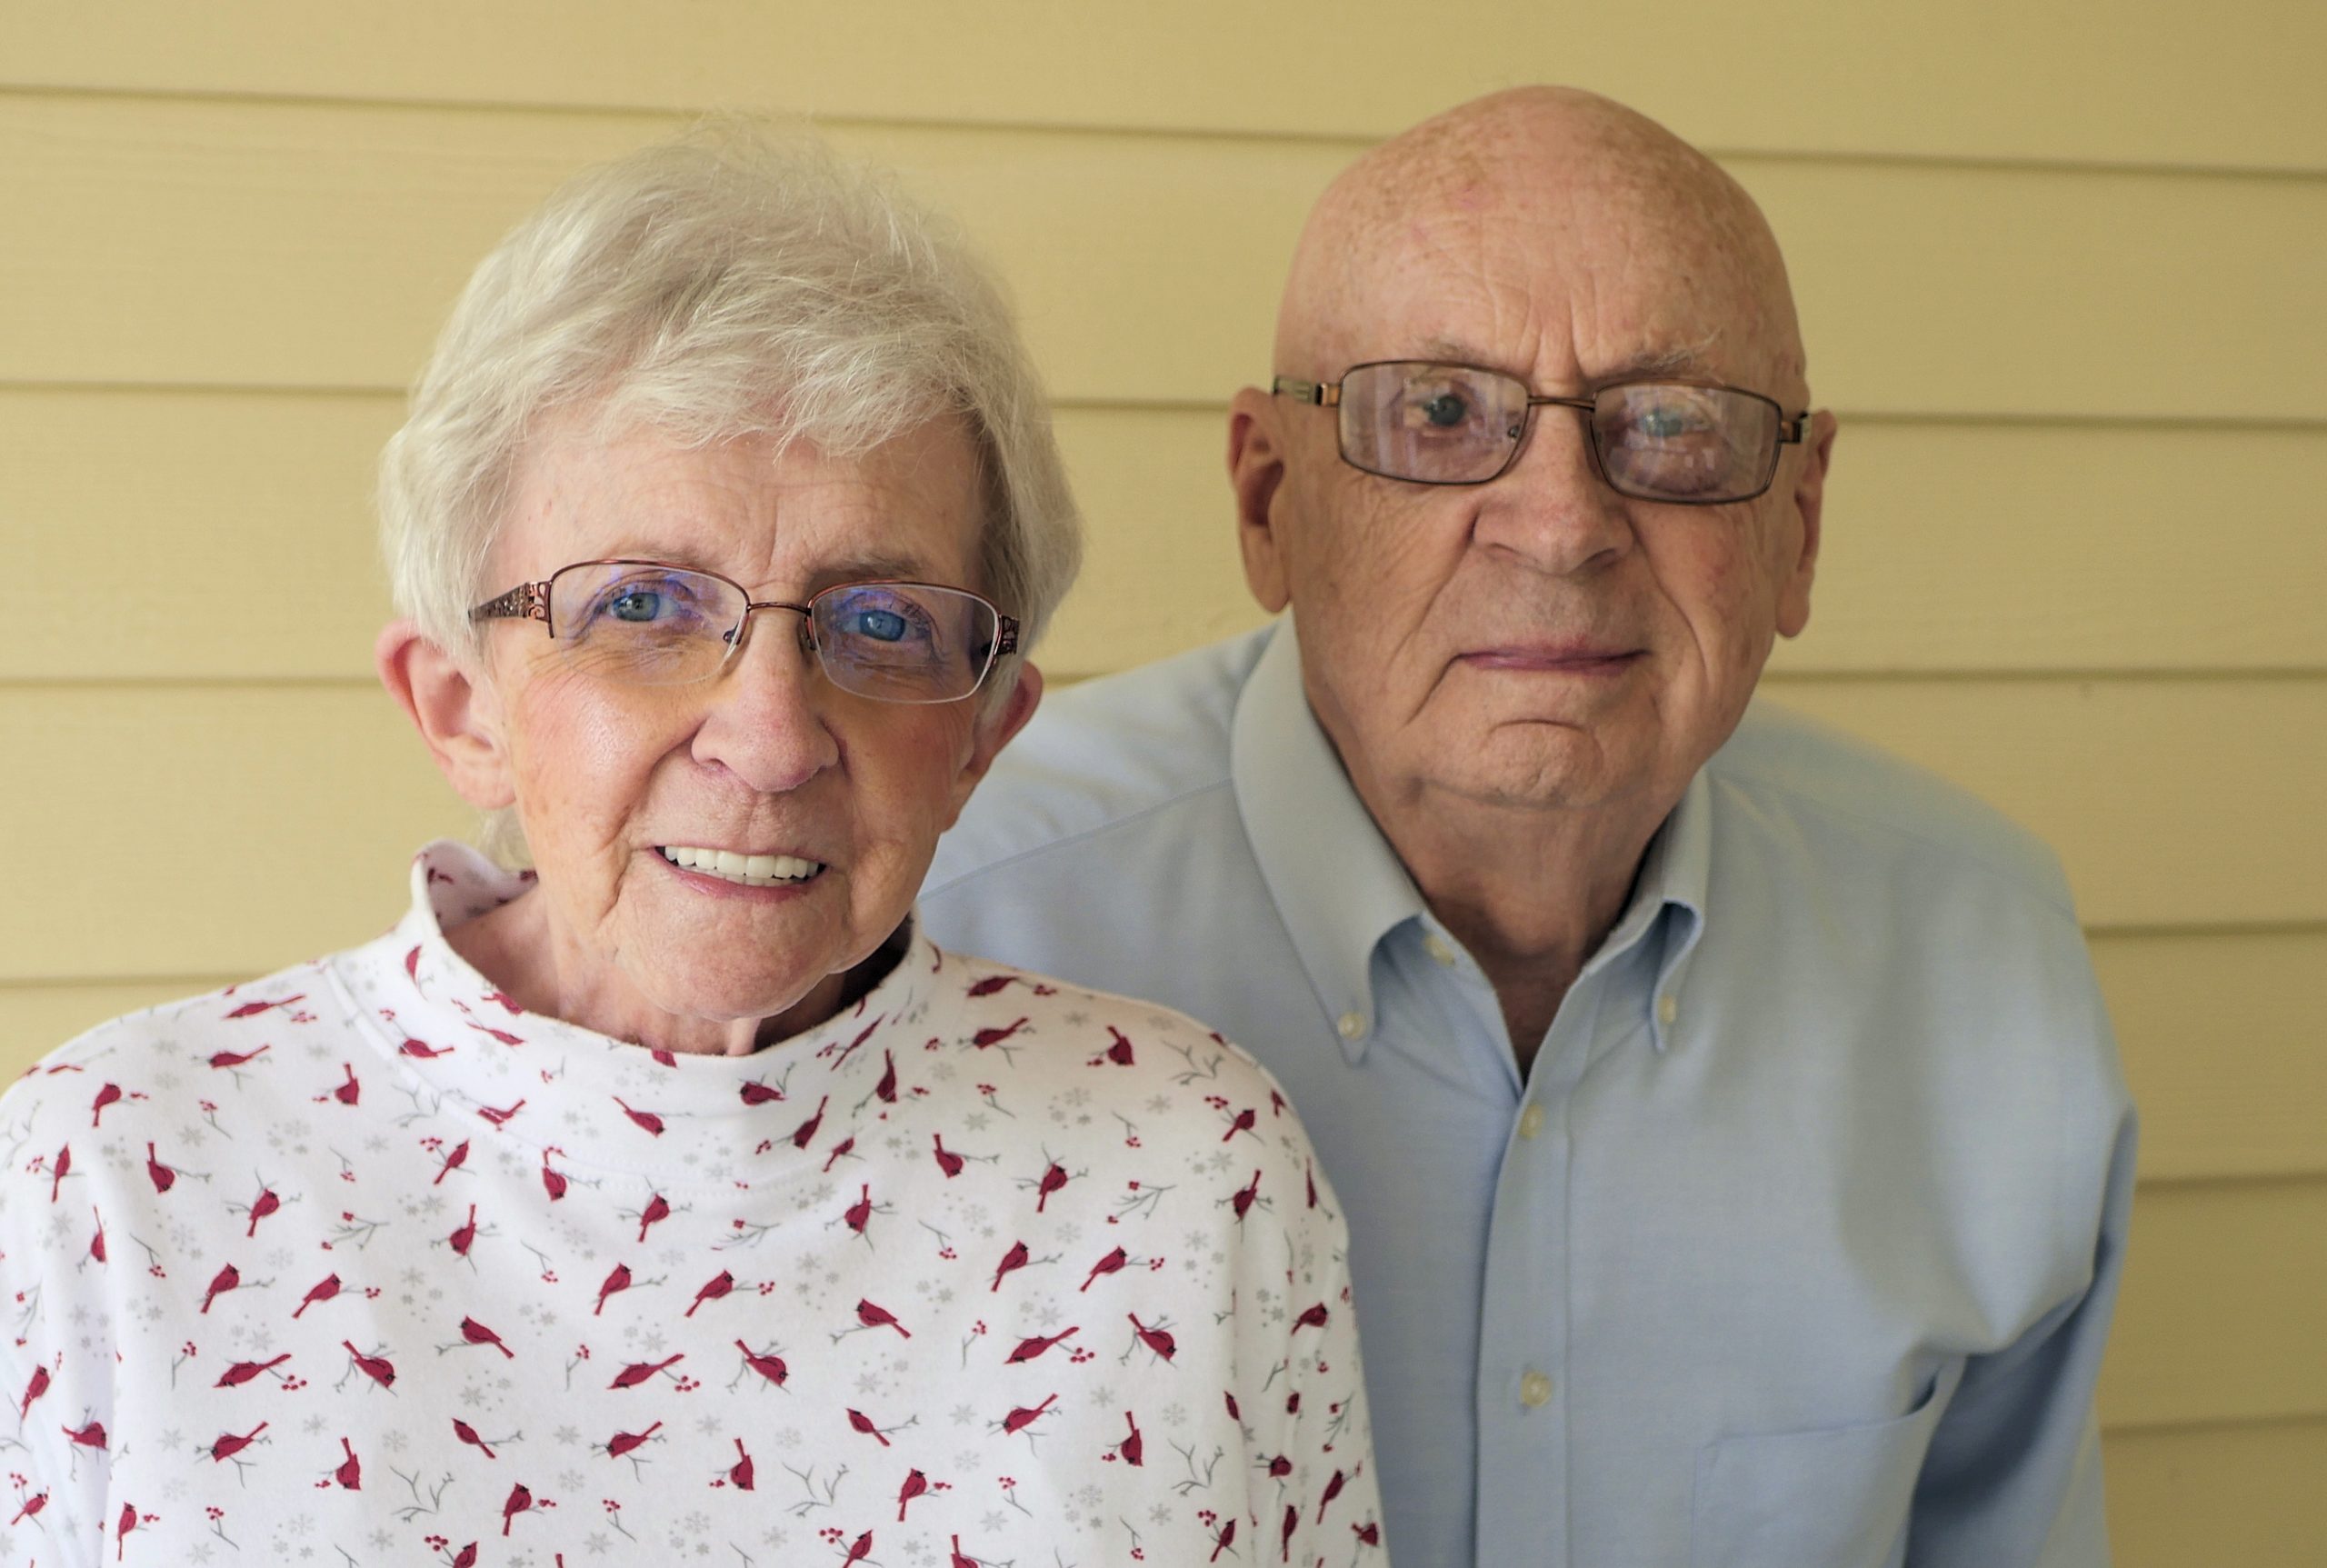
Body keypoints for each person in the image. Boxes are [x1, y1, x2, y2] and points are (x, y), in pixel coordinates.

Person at [0, 128, 1382, 1567]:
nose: (772, 738)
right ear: (461, 707)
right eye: (645, 607)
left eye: (883, 622)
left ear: (981, 734)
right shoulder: (117, 1178)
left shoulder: (1183, 1178)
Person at [924, 85, 2136, 1566]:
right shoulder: (962, 922)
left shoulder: (1986, 978)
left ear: (1800, 525)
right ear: (1266, 503)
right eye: (1438, 413)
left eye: (1670, 425)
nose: (1560, 523)